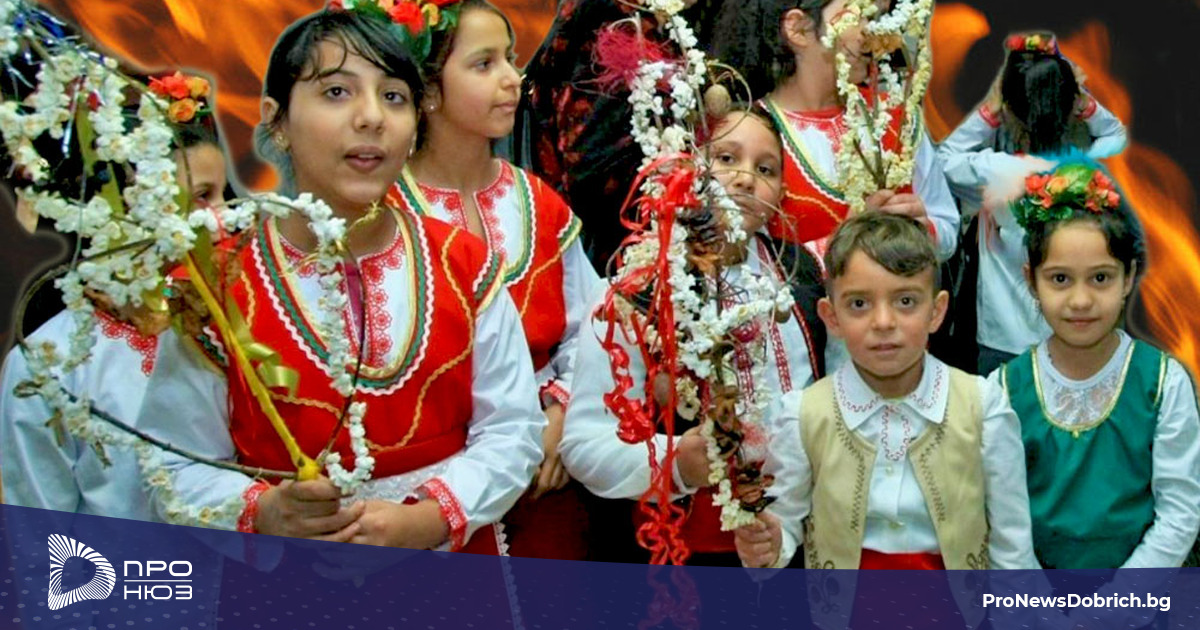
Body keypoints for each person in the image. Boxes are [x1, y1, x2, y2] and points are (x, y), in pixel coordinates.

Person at [135, 6, 544, 554]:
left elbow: (514, 429)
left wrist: (430, 518)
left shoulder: (463, 263)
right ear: (276, 121)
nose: (372, 117)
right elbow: (171, 463)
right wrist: (264, 511)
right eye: (336, 92)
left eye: (393, 96)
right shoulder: (216, 284)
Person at [559, 104, 822, 566]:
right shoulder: (638, 288)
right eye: (726, 158)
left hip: (794, 537)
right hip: (678, 555)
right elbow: (584, 444)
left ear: (782, 193)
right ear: (687, 166)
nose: (745, 178)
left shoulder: (805, 277)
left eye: (765, 169)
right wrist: (678, 462)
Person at [388, 0, 602, 560]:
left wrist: (559, 413)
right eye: (484, 64)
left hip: (546, 480)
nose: (512, 78)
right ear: (428, 90)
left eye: (510, 59)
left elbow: (590, 327)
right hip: (432, 483)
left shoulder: (537, 202)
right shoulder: (386, 214)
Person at [734, 211, 1037, 573]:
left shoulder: (982, 406)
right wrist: (767, 544)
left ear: (936, 311)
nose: (883, 322)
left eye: (905, 301)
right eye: (859, 304)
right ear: (831, 317)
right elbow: (783, 524)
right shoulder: (804, 415)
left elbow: (1013, 548)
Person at [0, 70, 229, 519]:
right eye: (203, 197)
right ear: (124, 207)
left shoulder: (238, 327)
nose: (223, 216)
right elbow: (39, 531)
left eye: (223, 194)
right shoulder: (47, 363)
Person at [992, 159, 1200, 568]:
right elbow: (1003, 522)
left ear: (1129, 277)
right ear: (1031, 280)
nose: (1081, 300)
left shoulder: (1163, 382)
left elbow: (1180, 512)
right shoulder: (1003, 389)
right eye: (1060, 279)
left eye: (1100, 278)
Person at [708, 0, 958, 261]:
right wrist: (848, 241)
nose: (876, 33)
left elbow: (948, 227)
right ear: (799, 29)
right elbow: (739, 257)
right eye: (861, 15)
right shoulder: (751, 131)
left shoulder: (897, 117)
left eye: (880, 18)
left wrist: (924, 229)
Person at [938, 32, 1128, 374]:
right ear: (1070, 106)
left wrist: (989, 111)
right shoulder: (1087, 168)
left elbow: (943, 159)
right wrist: (1085, 104)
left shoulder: (995, 170)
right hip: (1071, 332)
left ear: (1009, 109)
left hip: (1001, 338)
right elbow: (1116, 134)